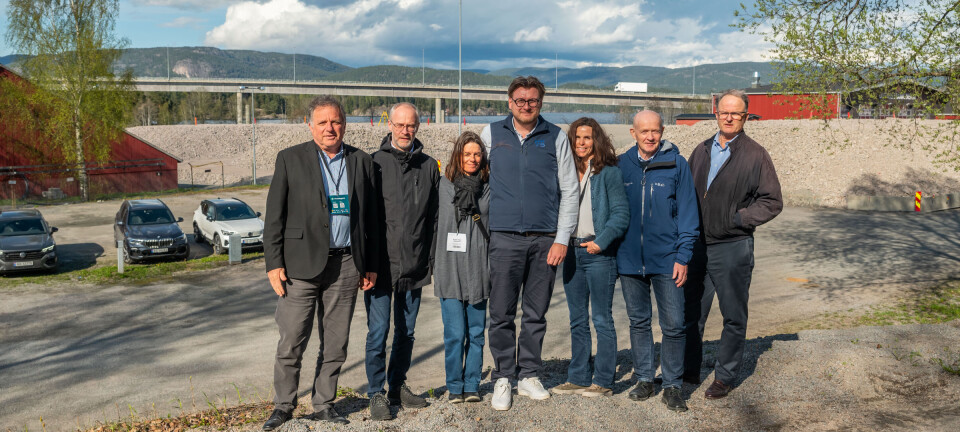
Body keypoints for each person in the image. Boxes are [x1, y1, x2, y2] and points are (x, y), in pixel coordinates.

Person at [261, 96, 379, 430]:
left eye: (336, 121)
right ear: (309, 124)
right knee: (292, 340)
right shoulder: (290, 159)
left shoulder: (361, 161)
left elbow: (370, 218)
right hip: (299, 266)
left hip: (345, 264)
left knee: (336, 341)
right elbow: (274, 217)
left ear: (345, 124)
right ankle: (283, 406)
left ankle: (324, 402)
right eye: (323, 122)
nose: (330, 128)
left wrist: (368, 263)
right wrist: (273, 264)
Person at [480, 76, 579, 411]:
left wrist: (562, 238)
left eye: (532, 100)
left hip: (544, 241)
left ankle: (529, 375)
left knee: (536, 312)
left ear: (541, 102)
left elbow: (570, 191)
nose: (526, 105)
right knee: (501, 312)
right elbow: (474, 179)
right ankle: (504, 376)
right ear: (509, 102)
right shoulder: (491, 134)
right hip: (504, 239)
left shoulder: (555, 137)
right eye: (520, 100)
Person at [683, 89, 783, 399]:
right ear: (715, 113)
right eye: (724, 112)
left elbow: (772, 201)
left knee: (733, 315)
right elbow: (686, 193)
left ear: (745, 116)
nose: (729, 117)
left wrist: (738, 219)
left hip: (732, 246)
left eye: (736, 113)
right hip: (698, 246)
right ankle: (687, 373)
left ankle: (724, 376)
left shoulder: (756, 155)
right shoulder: (700, 150)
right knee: (691, 314)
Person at [617, 110, 699, 412]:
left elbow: (689, 216)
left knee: (675, 324)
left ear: (662, 131)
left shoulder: (677, 164)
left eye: (655, 131)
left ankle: (673, 385)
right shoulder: (620, 166)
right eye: (644, 131)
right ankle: (643, 378)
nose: (650, 137)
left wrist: (683, 256)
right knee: (639, 322)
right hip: (629, 260)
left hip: (667, 259)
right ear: (633, 133)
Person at [365, 102, 439, 420]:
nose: (406, 131)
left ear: (418, 127)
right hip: (380, 267)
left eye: (411, 125)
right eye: (400, 125)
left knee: (406, 332)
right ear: (390, 125)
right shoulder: (373, 164)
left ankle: (397, 385)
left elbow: (434, 218)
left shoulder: (429, 166)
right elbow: (363, 220)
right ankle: (375, 393)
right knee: (378, 331)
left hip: (415, 265)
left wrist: (433, 260)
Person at [551, 118, 629, 398]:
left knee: (602, 318)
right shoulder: (567, 171)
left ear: (597, 140)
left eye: (587, 137)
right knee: (577, 319)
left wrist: (601, 242)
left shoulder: (608, 173)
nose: (581, 143)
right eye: (576, 138)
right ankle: (579, 377)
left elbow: (621, 215)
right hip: (571, 251)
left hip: (598, 254)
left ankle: (605, 381)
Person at [433, 131, 491, 404]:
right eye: (467, 154)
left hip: (479, 267)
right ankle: (454, 386)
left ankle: (472, 385)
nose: (472, 159)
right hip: (450, 268)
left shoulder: (489, 186)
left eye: (477, 154)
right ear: (458, 156)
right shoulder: (444, 186)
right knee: (455, 334)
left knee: (477, 334)